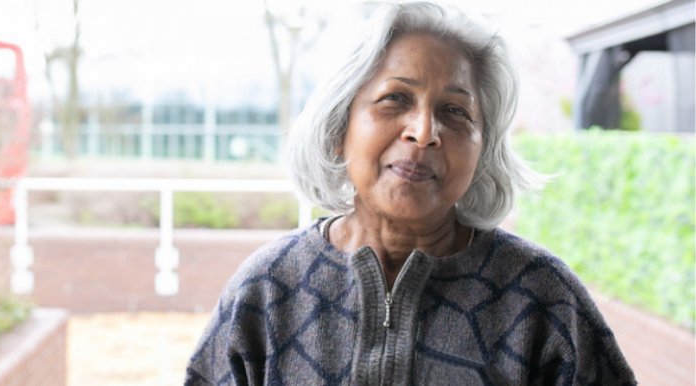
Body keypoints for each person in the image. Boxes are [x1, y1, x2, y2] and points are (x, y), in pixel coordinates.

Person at [184, 2, 637, 385]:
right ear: (341, 124)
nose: (423, 133)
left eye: (455, 110)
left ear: (483, 147)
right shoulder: (266, 288)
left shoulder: (542, 297)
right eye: (395, 99)